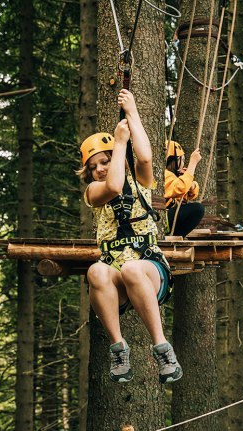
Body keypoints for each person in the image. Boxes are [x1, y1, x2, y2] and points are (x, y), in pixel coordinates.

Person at [77, 89, 182, 384]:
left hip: (148, 270)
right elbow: (112, 187)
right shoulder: (94, 192)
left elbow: (146, 157)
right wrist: (119, 142)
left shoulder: (141, 180)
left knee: (133, 268)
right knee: (96, 270)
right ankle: (118, 348)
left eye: (104, 162)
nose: (98, 169)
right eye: (93, 166)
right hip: (116, 278)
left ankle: (162, 347)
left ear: (118, 159)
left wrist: (132, 112)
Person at [165, 140, 205, 236]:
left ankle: (175, 235)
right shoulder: (165, 174)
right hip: (162, 217)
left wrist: (191, 185)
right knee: (197, 209)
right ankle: (175, 235)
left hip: (166, 218)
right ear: (173, 160)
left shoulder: (173, 176)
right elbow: (180, 188)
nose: (183, 163)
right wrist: (192, 164)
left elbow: (189, 196)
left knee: (195, 208)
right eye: (181, 160)